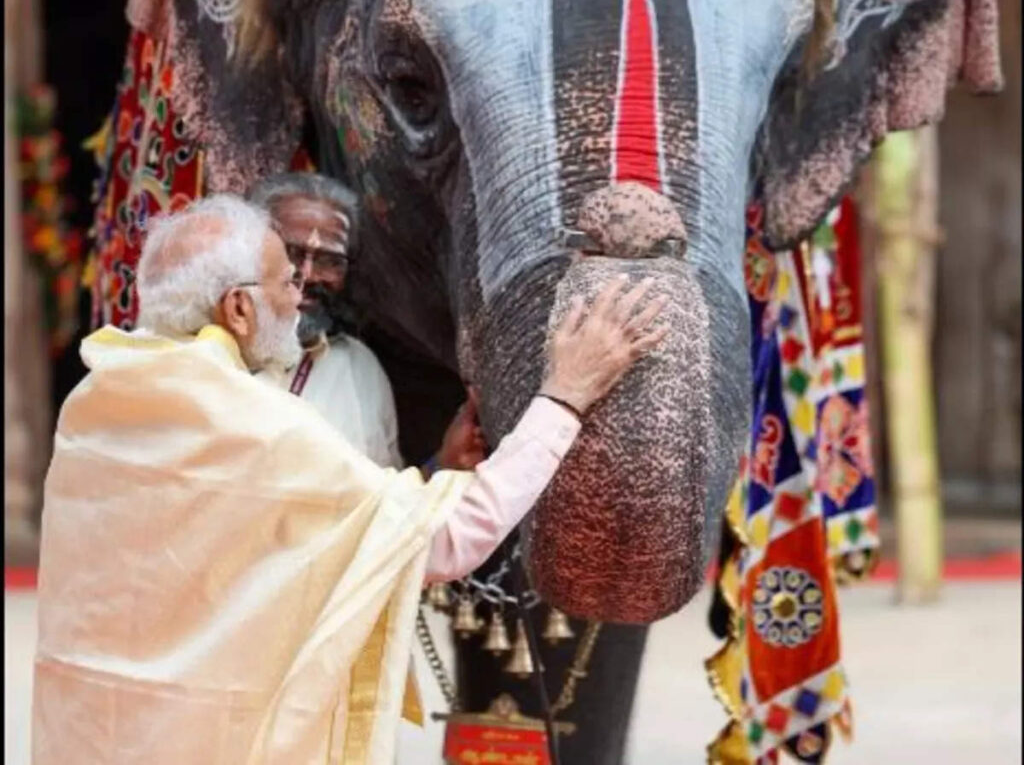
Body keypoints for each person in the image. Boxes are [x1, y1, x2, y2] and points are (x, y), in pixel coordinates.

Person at [32, 194, 668, 764]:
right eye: (285, 278)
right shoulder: (251, 423)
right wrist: (566, 392)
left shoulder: (96, 399)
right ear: (239, 308)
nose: (300, 292)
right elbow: (448, 540)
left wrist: (434, 472)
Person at [246, 172, 482, 474]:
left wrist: (442, 464)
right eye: (291, 253)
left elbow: (382, 507)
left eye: (329, 260)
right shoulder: (202, 349)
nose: (308, 274)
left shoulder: (358, 367)